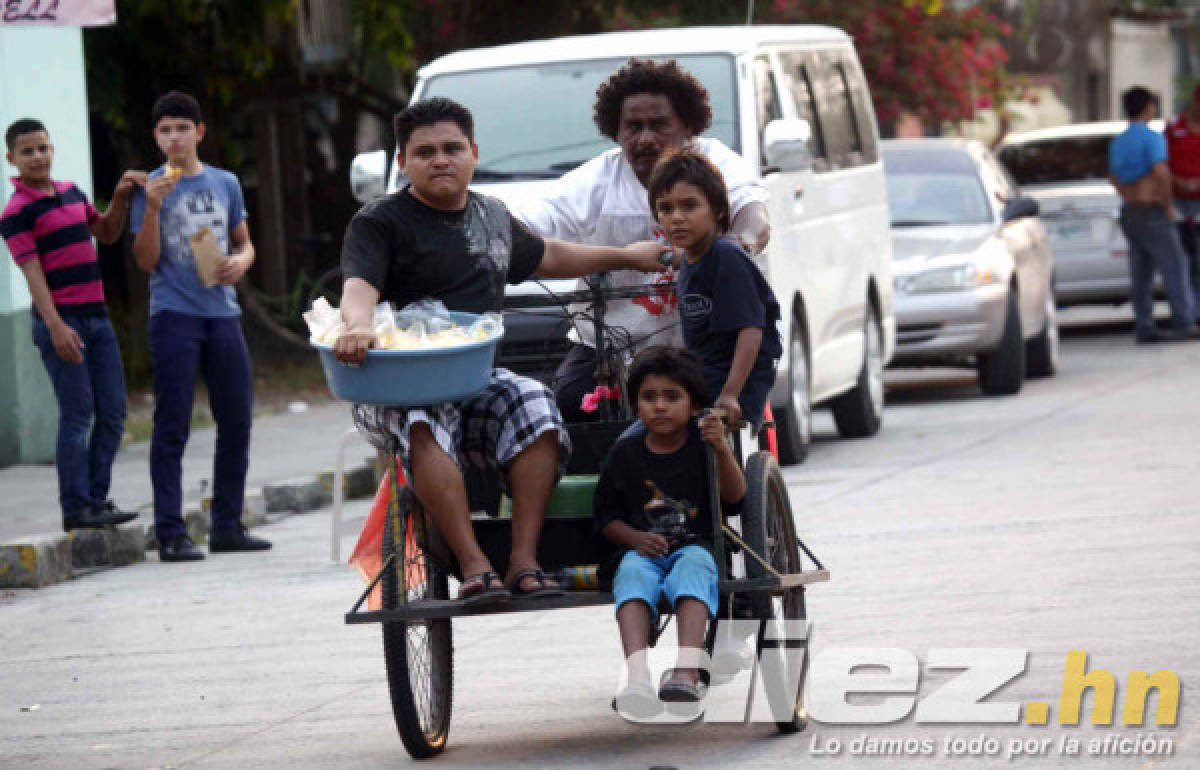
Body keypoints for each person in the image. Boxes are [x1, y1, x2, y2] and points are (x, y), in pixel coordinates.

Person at [334, 97, 667, 604]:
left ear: (473, 153)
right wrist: (355, 329)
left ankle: (523, 559)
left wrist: (626, 256)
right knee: (422, 422)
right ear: (403, 163)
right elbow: (358, 287)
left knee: (536, 403)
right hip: (402, 385)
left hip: (475, 378)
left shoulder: (491, 214)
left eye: (452, 148)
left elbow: (548, 254)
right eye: (425, 152)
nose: (440, 159)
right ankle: (473, 564)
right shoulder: (380, 222)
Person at [519, 58, 771, 421]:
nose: (645, 138)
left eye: (659, 125)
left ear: (687, 125)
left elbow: (754, 217)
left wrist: (728, 252)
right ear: (615, 131)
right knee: (570, 405)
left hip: (700, 344)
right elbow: (533, 220)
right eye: (633, 127)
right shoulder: (597, 180)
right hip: (610, 345)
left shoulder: (717, 165)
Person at [130, 91, 270, 562]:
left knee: (237, 420)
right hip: (174, 315)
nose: (174, 137)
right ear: (155, 137)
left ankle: (227, 526)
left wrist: (242, 262)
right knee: (172, 424)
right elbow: (146, 261)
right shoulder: (148, 188)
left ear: (199, 132)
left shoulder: (225, 182)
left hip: (223, 314)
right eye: (165, 130)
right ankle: (170, 531)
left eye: (182, 129)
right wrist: (150, 208)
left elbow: (245, 242)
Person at [1, 118, 142, 531]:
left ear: (52, 149)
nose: (38, 157)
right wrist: (57, 326)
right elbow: (32, 274)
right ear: (12, 159)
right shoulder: (16, 212)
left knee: (113, 412)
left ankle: (97, 501)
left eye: (43, 148)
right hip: (63, 323)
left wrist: (118, 197)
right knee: (78, 414)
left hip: (98, 318)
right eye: (27, 151)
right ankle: (75, 508)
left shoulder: (72, 193)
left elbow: (108, 232)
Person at [594, 346, 745, 711]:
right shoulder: (625, 454)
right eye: (649, 398)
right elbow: (605, 518)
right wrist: (635, 539)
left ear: (693, 406)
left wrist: (722, 449)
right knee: (631, 573)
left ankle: (687, 671)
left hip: (697, 547)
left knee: (693, 566)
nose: (659, 406)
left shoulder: (704, 448)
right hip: (640, 552)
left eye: (671, 397)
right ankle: (637, 678)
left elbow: (736, 498)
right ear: (636, 406)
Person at [648, 149, 781, 429]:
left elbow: (751, 330)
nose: (677, 218)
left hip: (736, 384)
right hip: (705, 379)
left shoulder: (725, 255)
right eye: (666, 209)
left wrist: (731, 395)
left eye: (689, 206)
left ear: (719, 210)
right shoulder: (690, 257)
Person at [1108, 86, 1197, 343]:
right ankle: (1184, 320)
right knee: (1175, 267)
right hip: (1152, 211)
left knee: (1140, 272)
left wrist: (1128, 193)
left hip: (1130, 211)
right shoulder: (1152, 137)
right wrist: (1168, 205)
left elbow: (1113, 176)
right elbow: (1161, 172)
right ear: (1149, 108)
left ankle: (1144, 325)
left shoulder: (1119, 141)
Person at [1164, 82, 1200, 307]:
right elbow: (1161, 162)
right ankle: (1189, 312)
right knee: (1183, 260)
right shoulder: (1174, 128)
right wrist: (1177, 180)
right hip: (1178, 202)